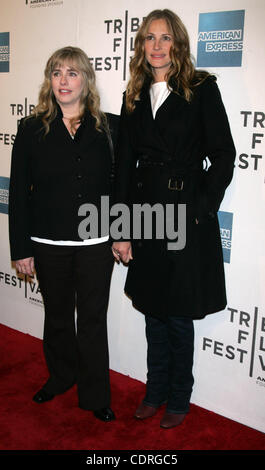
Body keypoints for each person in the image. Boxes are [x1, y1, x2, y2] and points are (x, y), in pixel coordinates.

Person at [112, 9, 236, 429]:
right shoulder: (134, 95)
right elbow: (124, 167)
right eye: (150, 38)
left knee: (179, 314)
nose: (158, 46)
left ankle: (179, 398)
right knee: (153, 312)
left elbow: (223, 154)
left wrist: (202, 203)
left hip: (186, 217)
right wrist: (121, 229)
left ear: (178, 43)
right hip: (145, 216)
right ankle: (155, 390)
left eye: (165, 38)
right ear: (141, 46)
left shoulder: (201, 88)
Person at [9, 46, 119, 422]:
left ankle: (95, 395)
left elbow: (121, 188)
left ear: (86, 79)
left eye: (72, 73)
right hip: (47, 243)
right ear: (49, 80)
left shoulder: (110, 127)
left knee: (91, 320)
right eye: (56, 72)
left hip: (95, 244)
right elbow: (20, 193)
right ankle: (60, 377)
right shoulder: (30, 129)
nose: (63, 81)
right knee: (56, 317)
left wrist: (121, 234)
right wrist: (20, 247)